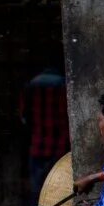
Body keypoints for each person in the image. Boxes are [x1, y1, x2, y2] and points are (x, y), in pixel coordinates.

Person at [20, 66, 70, 198]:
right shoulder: (65, 86)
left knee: (37, 185)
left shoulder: (31, 87)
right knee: (59, 185)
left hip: (38, 144)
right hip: (60, 145)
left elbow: (24, 116)